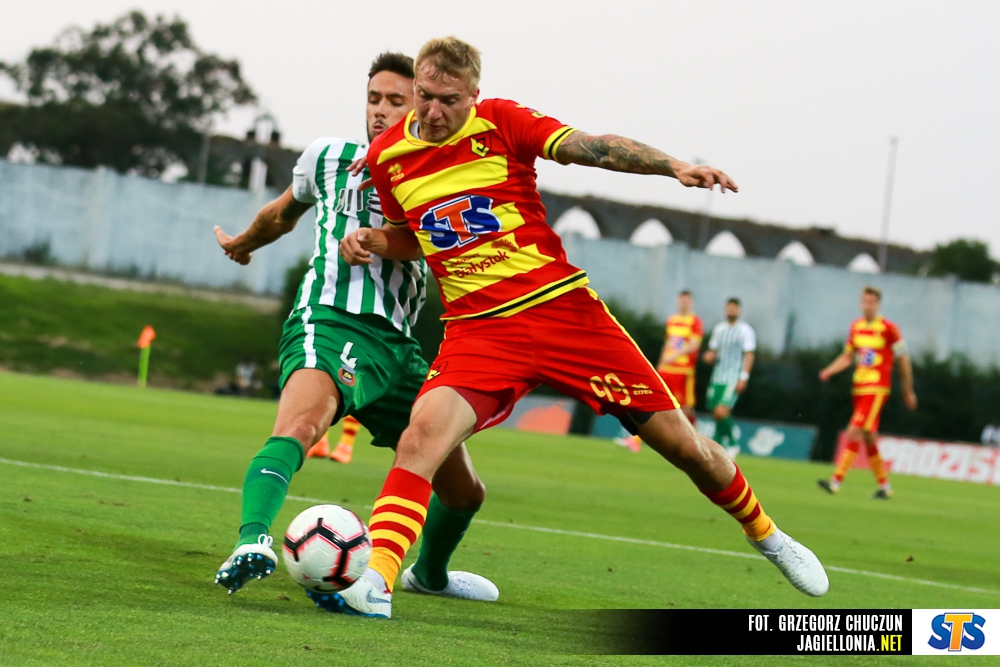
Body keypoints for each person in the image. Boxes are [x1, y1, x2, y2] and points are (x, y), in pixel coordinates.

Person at [335, 36, 828, 618]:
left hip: (564, 314)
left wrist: (673, 166)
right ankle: (376, 582)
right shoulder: (388, 156)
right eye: (424, 96)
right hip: (478, 330)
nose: (433, 111)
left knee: (687, 448)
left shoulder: (502, 121)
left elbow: (592, 147)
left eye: (449, 100)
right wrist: (373, 240)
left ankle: (767, 534)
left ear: (474, 94)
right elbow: (416, 237)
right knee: (421, 437)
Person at [211, 51, 498, 605]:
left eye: (396, 101)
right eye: (374, 99)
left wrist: (380, 240)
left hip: (400, 348)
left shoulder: (442, 176)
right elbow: (281, 214)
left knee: (464, 492)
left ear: (423, 106)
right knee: (301, 426)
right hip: (331, 319)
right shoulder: (328, 158)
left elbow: (449, 247)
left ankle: (429, 575)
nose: (380, 111)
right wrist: (244, 243)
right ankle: (253, 542)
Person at [818, 286, 917, 499]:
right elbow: (848, 356)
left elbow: (903, 358)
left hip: (876, 388)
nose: (868, 306)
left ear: (878, 305)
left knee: (854, 429)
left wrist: (908, 389)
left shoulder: (889, 329)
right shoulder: (856, 327)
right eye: (865, 301)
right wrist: (830, 370)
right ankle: (885, 487)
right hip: (859, 388)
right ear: (860, 303)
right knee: (869, 437)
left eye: (872, 302)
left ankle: (836, 481)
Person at [618, 290, 703, 452]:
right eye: (681, 300)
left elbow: (694, 345)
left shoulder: (695, 322)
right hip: (667, 369)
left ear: (691, 303)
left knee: (685, 409)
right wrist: (660, 365)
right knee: (654, 401)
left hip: (683, 371)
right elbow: (668, 344)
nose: (683, 303)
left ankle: (697, 443)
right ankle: (636, 440)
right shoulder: (672, 320)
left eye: (686, 300)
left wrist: (675, 356)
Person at [702, 298, 756, 452]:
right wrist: (709, 356)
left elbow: (749, 355)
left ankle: (732, 443)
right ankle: (719, 445)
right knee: (716, 412)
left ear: (739, 310)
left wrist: (744, 377)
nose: (731, 311)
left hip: (733, 377)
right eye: (729, 308)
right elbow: (713, 351)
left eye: (734, 308)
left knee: (722, 410)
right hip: (717, 377)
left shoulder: (745, 330)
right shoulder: (719, 329)